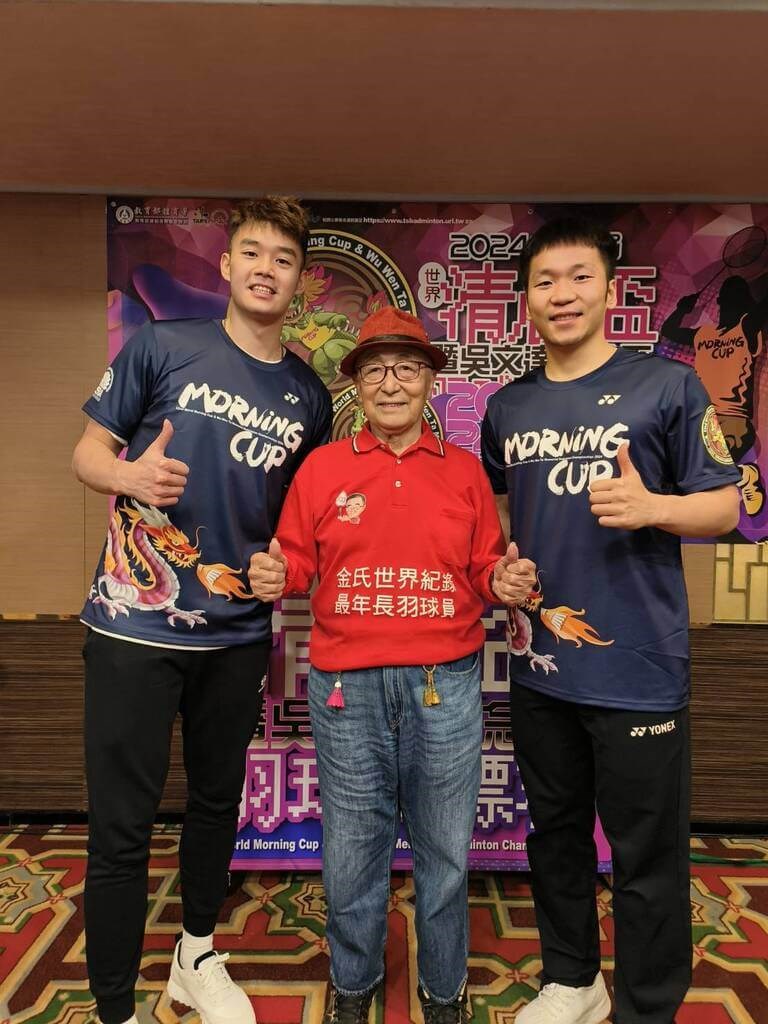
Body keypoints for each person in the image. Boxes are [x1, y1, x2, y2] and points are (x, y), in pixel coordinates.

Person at [73, 197, 332, 1024]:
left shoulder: (307, 394)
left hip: (235, 637)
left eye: (282, 258)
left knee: (218, 803)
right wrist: (128, 479)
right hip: (131, 626)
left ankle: (195, 953)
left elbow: (298, 525)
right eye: (250, 252)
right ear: (225, 266)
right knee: (122, 823)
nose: (264, 267)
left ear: (297, 279)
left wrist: (281, 565)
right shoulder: (161, 346)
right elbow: (87, 452)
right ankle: (114, 1004)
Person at [480, 217, 741, 1024]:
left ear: (609, 291)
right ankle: (572, 978)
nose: (562, 295)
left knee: (645, 856)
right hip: (542, 667)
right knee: (553, 835)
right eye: (546, 281)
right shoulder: (506, 406)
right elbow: (500, 518)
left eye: (579, 277)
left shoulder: (666, 387)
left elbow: (729, 504)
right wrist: (505, 569)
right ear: (525, 300)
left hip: (639, 667)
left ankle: (647, 1003)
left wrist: (655, 506)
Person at [248, 306, 536, 1024]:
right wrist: (273, 572)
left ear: (431, 381)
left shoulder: (465, 472)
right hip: (346, 689)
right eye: (374, 369)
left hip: (447, 683)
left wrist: (499, 581)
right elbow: (297, 559)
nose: (391, 383)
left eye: (407, 367)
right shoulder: (322, 470)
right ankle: (354, 983)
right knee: (352, 850)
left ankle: (444, 992)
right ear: (358, 385)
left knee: (444, 851)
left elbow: (482, 566)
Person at [661, 272, 768, 516]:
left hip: (734, 420)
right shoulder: (703, 334)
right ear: (719, 303)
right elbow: (669, 329)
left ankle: (744, 476)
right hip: (702, 417)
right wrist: (682, 309)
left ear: (745, 303)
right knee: (690, 473)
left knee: (710, 467)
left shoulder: (747, 329)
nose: (727, 304)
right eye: (725, 299)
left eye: (734, 299)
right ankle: (741, 475)